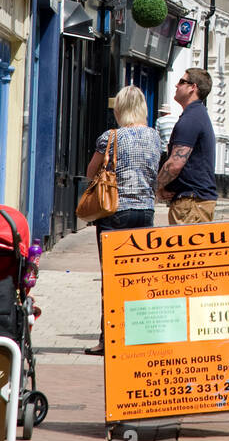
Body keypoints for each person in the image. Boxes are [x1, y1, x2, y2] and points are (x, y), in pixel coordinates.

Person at [84, 85, 161, 355]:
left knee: (113, 277)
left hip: (116, 212)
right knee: (139, 275)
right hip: (146, 212)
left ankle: (109, 340)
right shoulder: (154, 137)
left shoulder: (110, 137)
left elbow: (91, 171)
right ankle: (138, 335)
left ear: (119, 109)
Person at [156, 69, 218, 224]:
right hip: (194, 202)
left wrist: (155, 187)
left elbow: (175, 164)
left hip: (191, 205)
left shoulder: (191, 119)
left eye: (182, 82)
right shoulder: (197, 114)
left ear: (193, 87)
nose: (177, 85)